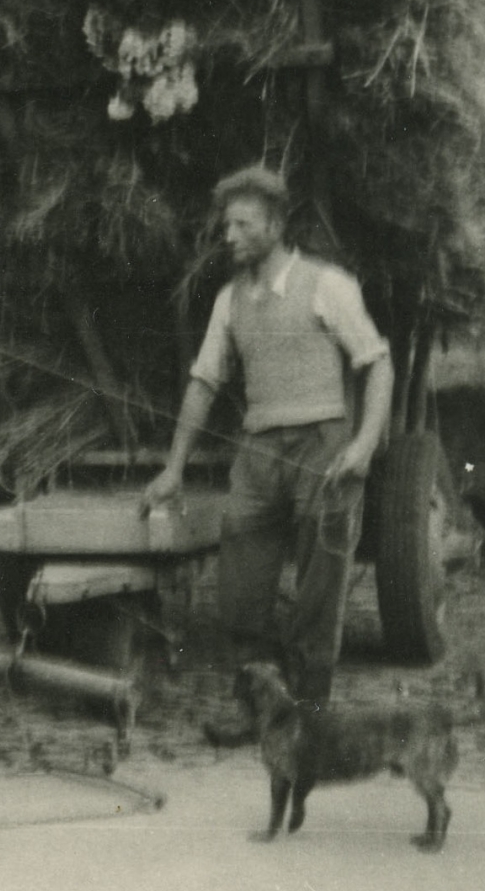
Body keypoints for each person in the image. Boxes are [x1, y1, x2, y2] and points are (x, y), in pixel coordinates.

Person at [141, 165, 393, 720]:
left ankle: (308, 715)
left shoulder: (327, 285)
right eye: (226, 225)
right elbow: (204, 382)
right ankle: (255, 711)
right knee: (240, 595)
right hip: (258, 454)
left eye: (242, 225)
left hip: (322, 449)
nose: (228, 237)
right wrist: (174, 469)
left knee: (318, 594)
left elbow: (377, 365)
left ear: (276, 225)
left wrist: (363, 445)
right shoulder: (229, 301)